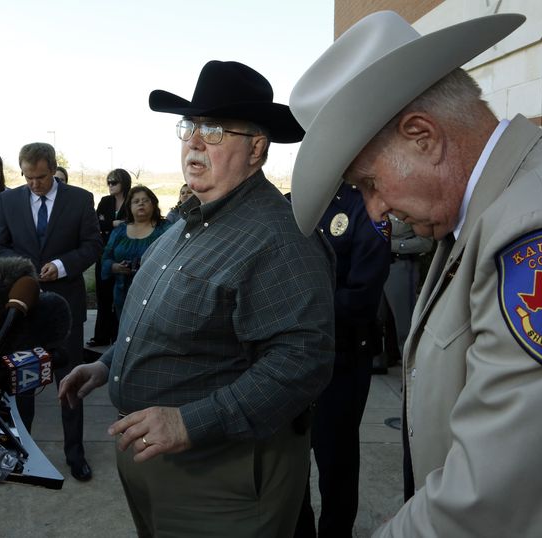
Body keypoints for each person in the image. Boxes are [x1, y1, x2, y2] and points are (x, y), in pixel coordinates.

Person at [288, 11, 542, 536]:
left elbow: (505, 499)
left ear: (423, 136)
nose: (375, 211)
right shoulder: (495, 211)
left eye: (369, 183)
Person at [59, 60, 335, 537]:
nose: (194, 141)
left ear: (257, 149)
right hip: (155, 462)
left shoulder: (279, 235)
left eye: (214, 129)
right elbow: (166, 320)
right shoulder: (188, 221)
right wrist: (111, 364)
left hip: (219, 479)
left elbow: (302, 362)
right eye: (189, 126)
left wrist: (190, 423)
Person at [0, 142, 102, 481]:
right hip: (25, 307)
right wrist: (23, 269)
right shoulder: (9, 200)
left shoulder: (80, 199)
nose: (35, 183)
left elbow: (93, 245)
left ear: (53, 169)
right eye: (28, 177)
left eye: (41, 177)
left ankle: (75, 453)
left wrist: (62, 265)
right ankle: (22, 449)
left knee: (68, 382)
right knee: (21, 382)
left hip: (65, 307)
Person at [293, 183, 390, 537]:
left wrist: (295, 308)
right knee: (290, 459)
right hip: (288, 357)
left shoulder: (362, 208)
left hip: (342, 356)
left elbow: (363, 295)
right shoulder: (293, 204)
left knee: (336, 458)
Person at [100, 185, 170, 317]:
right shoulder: (120, 230)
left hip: (155, 294)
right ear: (129, 207)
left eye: (145, 200)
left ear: (154, 204)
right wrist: (114, 267)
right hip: (123, 295)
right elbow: (105, 258)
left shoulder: (166, 229)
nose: (141, 203)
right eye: (136, 201)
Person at [87, 168, 130, 347]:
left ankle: (120, 337)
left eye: (114, 182)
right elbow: (95, 223)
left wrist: (109, 226)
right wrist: (114, 223)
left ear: (124, 183)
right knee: (103, 295)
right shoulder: (105, 201)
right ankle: (101, 336)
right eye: (109, 182)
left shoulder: (131, 200)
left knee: (122, 296)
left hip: (125, 253)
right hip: (105, 254)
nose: (110, 185)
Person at [383, 215, 434, 356]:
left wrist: (392, 245)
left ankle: (411, 364)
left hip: (400, 265)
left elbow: (426, 243)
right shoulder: (374, 199)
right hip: (374, 263)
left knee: (405, 324)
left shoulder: (412, 203)